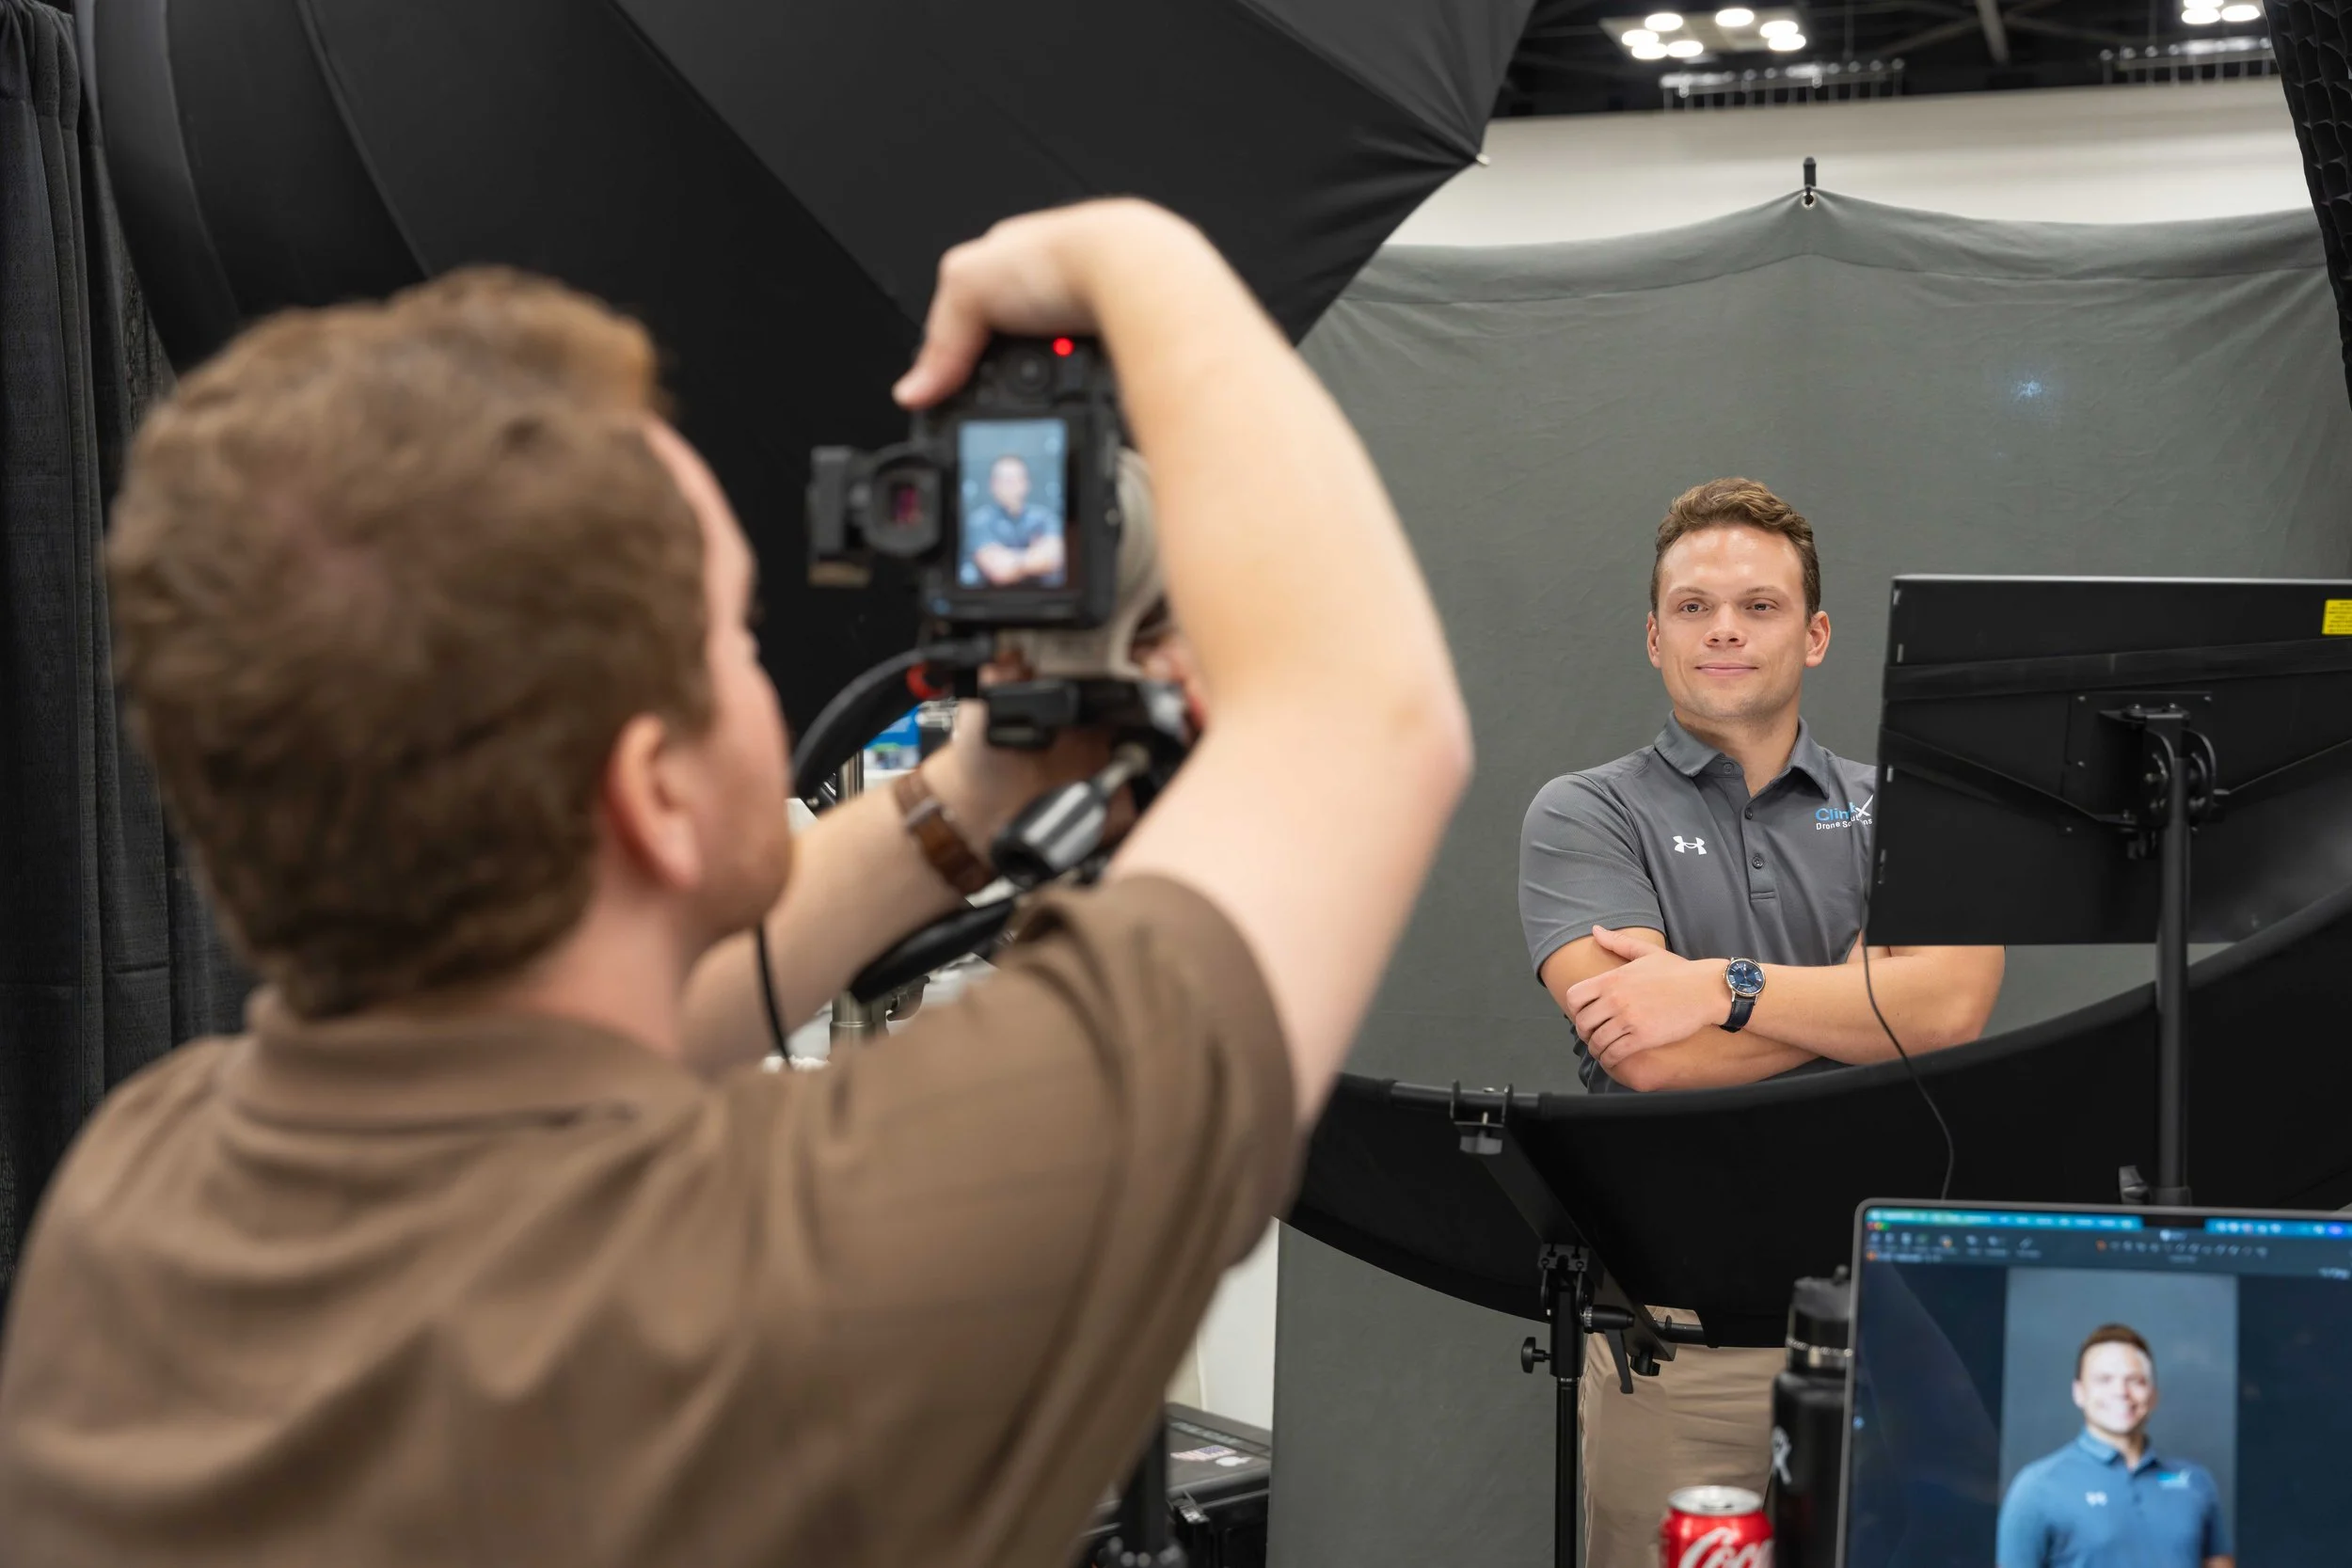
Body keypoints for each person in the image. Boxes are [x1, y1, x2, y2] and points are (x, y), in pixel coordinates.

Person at [0, 199, 1472, 1565]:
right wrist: (1138, 254)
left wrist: (968, 793)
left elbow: (600, 1020)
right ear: (653, 790)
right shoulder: (824, 1259)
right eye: (731, 637)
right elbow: (1364, 720)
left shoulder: (136, 1194)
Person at [1515, 477, 2006, 1566]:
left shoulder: (1905, 807)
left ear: (1816, 632)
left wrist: (1720, 983)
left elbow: (1953, 1004)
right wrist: (1860, 992)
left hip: (1907, 1323)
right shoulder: (1584, 813)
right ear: (1654, 636)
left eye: (1759, 604)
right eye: (1692, 606)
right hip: (1686, 1337)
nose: (1724, 627)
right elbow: (1648, 1050)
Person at [1996, 1325, 2233, 1568]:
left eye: (2135, 1381)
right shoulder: (2038, 1487)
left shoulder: (2196, 1482)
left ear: (2153, 1395)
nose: (2121, 1392)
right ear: (2079, 1393)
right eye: (2104, 1380)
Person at [964, 451, 1067, 586]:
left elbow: (1055, 557)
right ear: (992, 485)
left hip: (1041, 598)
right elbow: (998, 571)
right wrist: (1035, 556)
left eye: (1014, 479)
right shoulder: (978, 521)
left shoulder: (1044, 517)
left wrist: (1011, 561)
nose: (1010, 486)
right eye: (1004, 480)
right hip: (990, 599)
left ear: (1026, 483)